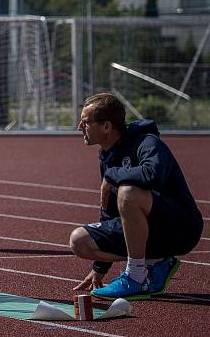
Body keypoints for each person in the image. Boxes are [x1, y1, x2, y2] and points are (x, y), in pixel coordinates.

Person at [70, 92, 203, 299]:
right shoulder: (107, 155)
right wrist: (100, 267)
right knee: (79, 241)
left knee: (128, 192)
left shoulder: (147, 143)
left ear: (106, 126)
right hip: (148, 231)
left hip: (181, 227)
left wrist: (112, 175)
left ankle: (136, 277)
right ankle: (155, 264)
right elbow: (109, 210)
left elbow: (153, 175)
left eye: (85, 122)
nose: (79, 127)